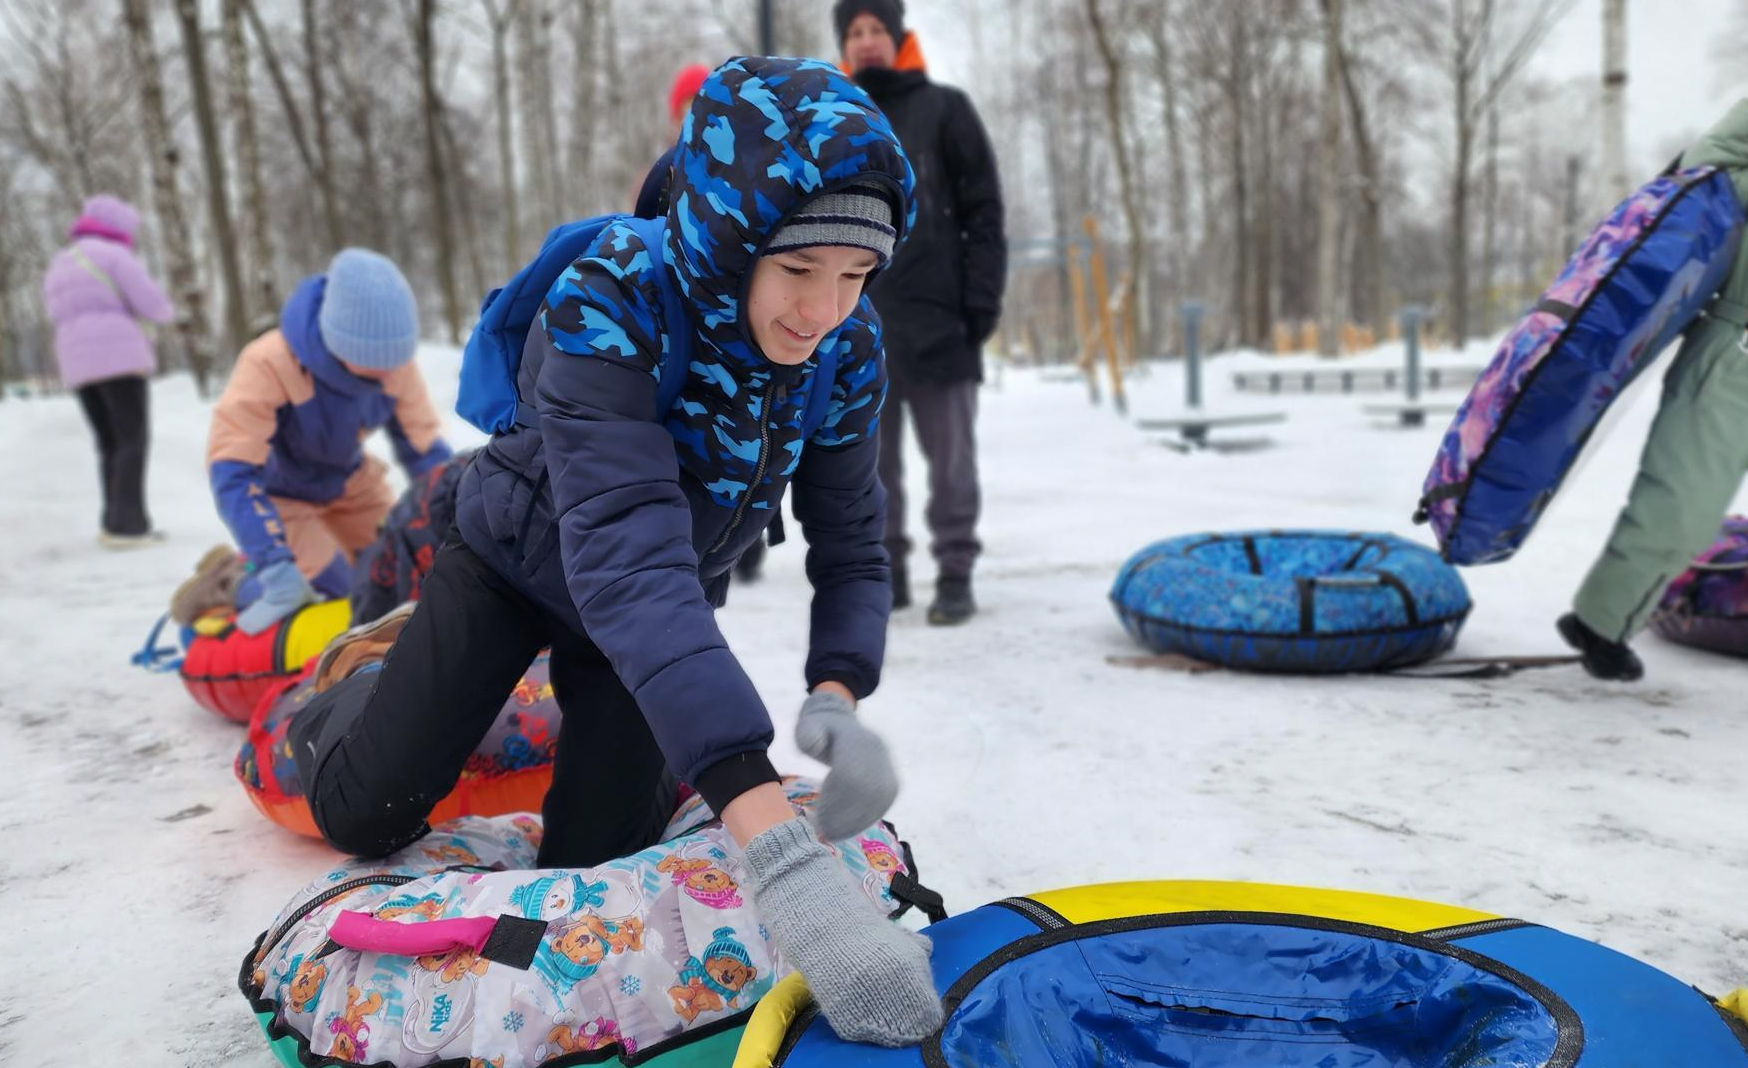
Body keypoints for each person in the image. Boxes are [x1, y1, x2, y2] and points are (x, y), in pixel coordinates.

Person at [289, 58, 940, 1044]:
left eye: (855, 276)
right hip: (513, 561)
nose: (824, 310)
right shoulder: (612, 302)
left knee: (603, 852)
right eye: (800, 270)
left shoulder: (843, 348)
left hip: (645, 612)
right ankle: (360, 682)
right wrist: (791, 872)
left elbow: (850, 540)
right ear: (734, 242)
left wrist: (835, 697)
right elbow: (627, 560)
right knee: (364, 811)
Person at [1562, 99, 1748, 681]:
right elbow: (1706, 166)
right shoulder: (1726, 181)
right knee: (1683, 509)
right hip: (1731, 360)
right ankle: (1601, 622)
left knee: (1685, 509)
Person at [836, 0, 1006, 624]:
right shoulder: (836, 116)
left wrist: (979, 302)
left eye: (877, 28)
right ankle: (887, 574)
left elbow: (984, 211)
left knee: (952, 465)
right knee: (868, 469)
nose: (867, 40)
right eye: (855, 31)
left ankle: (955, 572)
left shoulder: (946, 109)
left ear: (899, 37)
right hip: (856, 326)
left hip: (941, 323)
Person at [201, 249, 452, 634]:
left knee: (402, 574)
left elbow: (426, 453)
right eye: (374, 361)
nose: (388, 371)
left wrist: (457, 525)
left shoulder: (394, 365)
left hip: (351, 483)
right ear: (338, 341)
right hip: (282, 494)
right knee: (342, 597)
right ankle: (230, 580)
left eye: (396, 359)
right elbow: (231, 468)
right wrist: (273, 560)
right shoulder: (269, 363)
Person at [41, 194, 175, 548]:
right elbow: (154, 306)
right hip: (119, 358)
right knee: (133, 439)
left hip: (76, 363)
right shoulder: (115, 256)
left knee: (108, 443)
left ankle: (113, 522)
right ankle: (131, 527)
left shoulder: (61, 262)